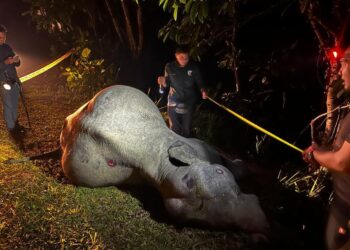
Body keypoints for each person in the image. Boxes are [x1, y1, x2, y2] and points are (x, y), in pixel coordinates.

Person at [302, 46, 350, 250]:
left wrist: (317, 156)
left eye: (345, 63)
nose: (340, 71)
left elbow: (341, 161)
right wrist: (320, 151)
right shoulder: (347, 106)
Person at [157, 46, 208, 138]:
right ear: (176, 56)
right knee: (174, 129)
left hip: (188, 101)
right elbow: (167, 83)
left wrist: (203, 91)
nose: (184, 60)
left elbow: (200, 82)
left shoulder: (193, 67)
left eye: (186, 58)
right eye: (181, 58)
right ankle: (175, 149)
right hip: (173, 100)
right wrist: (162, 82)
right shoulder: (169, 66)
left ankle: (185, 149)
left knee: (186, 129)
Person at [0, 24, 24, 136]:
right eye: (0, 37)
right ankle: (11, 128)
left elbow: (16, 64)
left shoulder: (7, 47)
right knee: (8, 104)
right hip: (3, 82)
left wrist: (16, 60)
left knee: (14, 103)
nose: (2, 39)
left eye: (4, 37)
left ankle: (15, 124)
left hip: (14, 80)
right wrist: (5, 62)